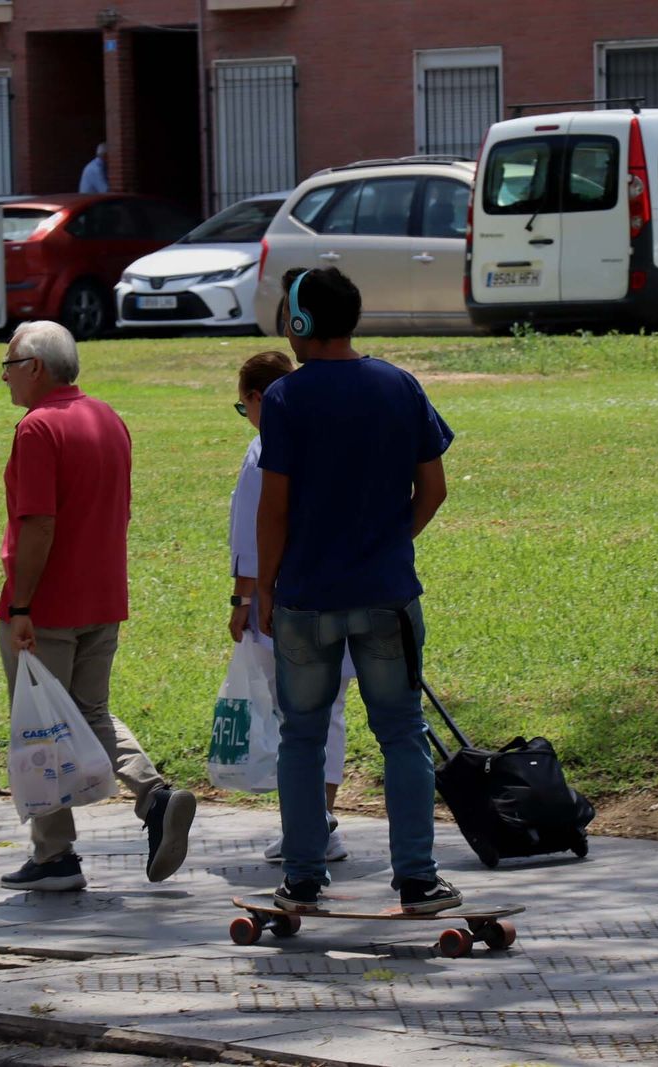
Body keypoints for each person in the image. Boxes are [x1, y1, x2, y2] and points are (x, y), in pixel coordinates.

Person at [255, 267, 460, 915]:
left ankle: (304, 875)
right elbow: (434, 488)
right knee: (402, 733)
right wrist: (394, 540)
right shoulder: (401, 386)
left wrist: (264, 586)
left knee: (303, 736)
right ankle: (418, 877)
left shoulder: (286, 398)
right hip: (387, 594)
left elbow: (275, 508)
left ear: (301, 323)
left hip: (307, 598)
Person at [0, 320, 196, 892]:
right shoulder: (109, 418)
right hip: (104, 594)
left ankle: (54, 854)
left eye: (9, 366)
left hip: (49, 604)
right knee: (89, 712)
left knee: (38, 725)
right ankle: (154, 796)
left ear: (35, 366)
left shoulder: (37, 428)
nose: (5, 379)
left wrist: (21, 605)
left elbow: (37, 524)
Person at [228, 350, 353, 863]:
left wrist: (242, 599)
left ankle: (306, 829)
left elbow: (255, 537)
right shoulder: (334, 441)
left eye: (243, 407)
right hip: (346, 590)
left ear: (259, 398)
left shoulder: (265, 450)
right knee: (332, 712)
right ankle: (321, 820)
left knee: (294, 715)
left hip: (282, 600)